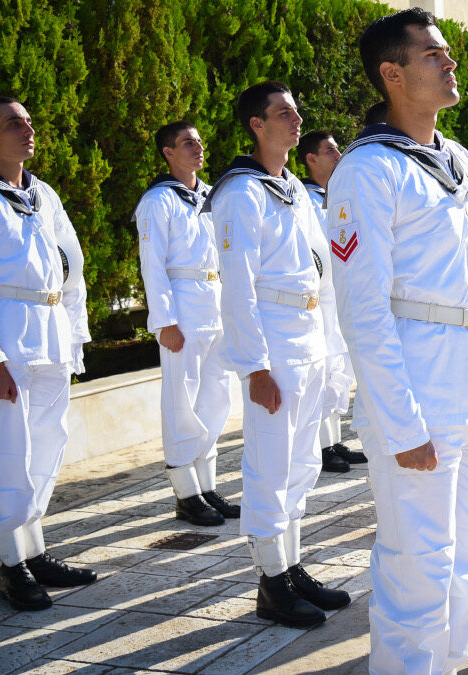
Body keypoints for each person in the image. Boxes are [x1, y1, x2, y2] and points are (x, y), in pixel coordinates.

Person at [328, 10, 468, 672]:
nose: (450, 63)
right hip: (419, 397)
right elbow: (364, 312)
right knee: (415, 570)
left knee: (462, 559)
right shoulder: (366, 171)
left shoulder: (455, 157)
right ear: (392, 73)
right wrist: (402, 424)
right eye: (434, 55)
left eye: (447, 52)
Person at [207, 80, 353, 628]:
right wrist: (255, 365)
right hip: (273, 344)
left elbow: (323, 273)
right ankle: (271, 581)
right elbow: (237, 287)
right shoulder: (240, 192)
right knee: (269, 467)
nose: (296, 121)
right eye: (283, 114)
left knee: (302, 463)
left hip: (309, 339)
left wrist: (333, 350)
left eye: (296, 111)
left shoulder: (292, 187)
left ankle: (291, 566)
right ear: (256, 125)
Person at [0, 96, 96, 611]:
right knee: (8, 453)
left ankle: (34, 549)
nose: (27, 130)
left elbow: (72, 268)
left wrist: (75, 336)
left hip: (51, 338)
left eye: (29, 121)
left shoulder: (43, 194)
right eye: (13, 123)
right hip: (8, 343)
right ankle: (11, 563)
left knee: (48, 447)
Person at [134, 122, 238, 527]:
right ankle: (185, 493)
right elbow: (153, 265)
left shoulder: (212, 197)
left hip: (215, 307)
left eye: (198, 141)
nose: (197, 148)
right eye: (187, 143)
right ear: (167, 152)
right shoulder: (158, 201)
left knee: (215, 398)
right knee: (182, 401)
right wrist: (165, 321)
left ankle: (207, 485)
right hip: (183, 307)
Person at [298, 129, 367, 474]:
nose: (338, 156)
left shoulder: (336, 195)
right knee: (323, 369)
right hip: (319, 296)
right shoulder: (306, 199)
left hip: (339, 292)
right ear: (311, 159)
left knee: (339, 366)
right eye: (330, 151)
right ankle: (321, 446)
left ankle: (332, 439)